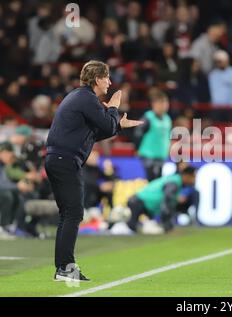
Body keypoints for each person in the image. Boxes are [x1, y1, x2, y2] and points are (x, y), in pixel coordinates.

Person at [45, 60, 143, 282]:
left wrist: (118, 125)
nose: (109, 82)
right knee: (73, 213)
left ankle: (63, 267)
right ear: (97, 79)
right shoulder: (87, 98)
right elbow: (105, 126)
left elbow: (94, 132)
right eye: (107, 77)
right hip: (65, 160)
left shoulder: (81, 98)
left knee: (68, 214)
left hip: (59, 159)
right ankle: (64, 268)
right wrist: (114, 107)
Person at [121, 166, 197, 234]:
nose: (194, 180)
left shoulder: (174, 180)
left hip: (141, 202)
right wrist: (168, 227)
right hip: (138, 202)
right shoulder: (174, 183)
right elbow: (166, 204)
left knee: (137, 229)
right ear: (186, 176)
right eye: (193, 177)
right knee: (131, 228)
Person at [134, 89, 172, 181]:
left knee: (158, 182)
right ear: (154, 104)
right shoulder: (148, 117)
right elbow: (137, 133)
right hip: (148, 156)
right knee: (150, 180)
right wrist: (137, 149)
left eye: (165, 103)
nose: (164, 106)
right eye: (161, 103)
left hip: (161, 156)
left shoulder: (167, 119)